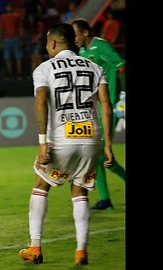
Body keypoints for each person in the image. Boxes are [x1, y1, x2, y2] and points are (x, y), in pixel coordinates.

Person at [18, 23, 114, 266]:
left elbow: (41, 102)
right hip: (91, 137)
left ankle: (35, 247)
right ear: (74, 42)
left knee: (41, 185)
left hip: (62, 138)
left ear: (52, 44)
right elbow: (106, 104)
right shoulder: (95, 67)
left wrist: (42, 143)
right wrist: (107, 144)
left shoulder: (44, 69)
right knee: (80, 190)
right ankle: (81, 251)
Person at [71, 18, 126, 210]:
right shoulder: (83, 52)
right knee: (99, 154)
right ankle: (105, 199)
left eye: (75, 34)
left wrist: (123, 96)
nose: (73, 38)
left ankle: (105, 198)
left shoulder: (101, 46)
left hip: (111, 105)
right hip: (98, 106)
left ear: (85, 32)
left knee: (100, 154)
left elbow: (121, 65)